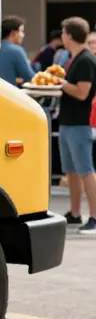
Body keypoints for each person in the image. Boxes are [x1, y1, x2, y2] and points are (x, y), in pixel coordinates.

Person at [53, 17, 96, 233]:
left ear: (69, 35)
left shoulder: (86, 60)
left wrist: (61, 84)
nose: (62, 36)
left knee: (85, 170)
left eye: (63, 32)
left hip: (80, 123)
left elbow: (82, 93)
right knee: (71, 171)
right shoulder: (75, 58)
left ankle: (94, 217)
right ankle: (75, 212)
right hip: (68, 121)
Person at [0, 15, 35, 87]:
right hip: (7, 92)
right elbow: (31, 78)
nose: (23, 35)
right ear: (13, 33)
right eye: (21, 31)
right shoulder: (16, 51)